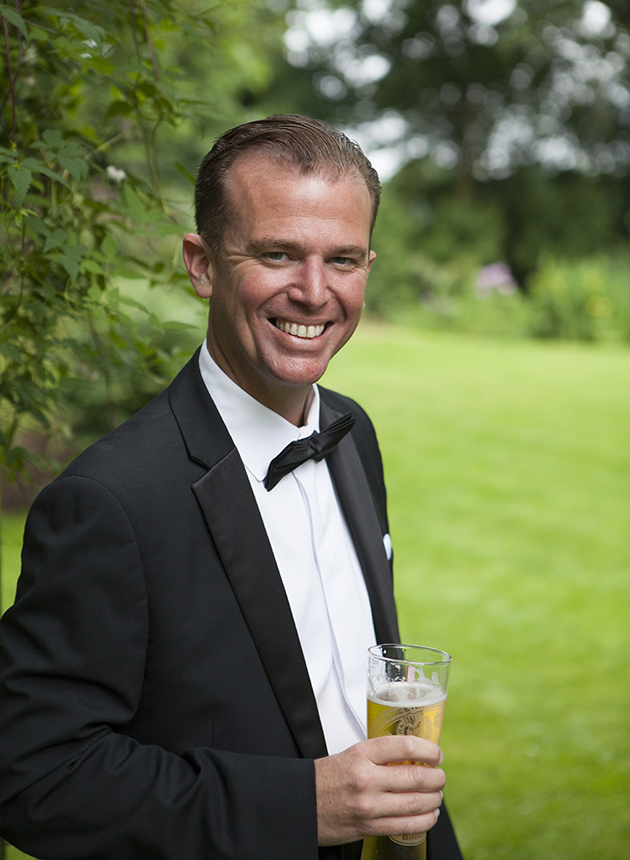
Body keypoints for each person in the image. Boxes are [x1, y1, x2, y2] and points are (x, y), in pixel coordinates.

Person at [0, 114, 462, 860]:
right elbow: (34, 774)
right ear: (202, 263)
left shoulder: (353, 431)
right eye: (278, 253)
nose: (314, 292)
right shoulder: (111, 500)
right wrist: (302, 805)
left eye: (342, 259)